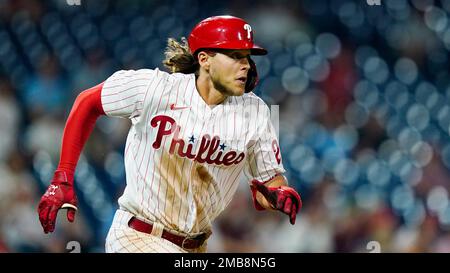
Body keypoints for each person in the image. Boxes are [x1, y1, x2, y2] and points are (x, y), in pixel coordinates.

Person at [37, 15, 302, 253]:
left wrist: (277, 195)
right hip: (137, 235)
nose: (245, 65)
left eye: (247, 57)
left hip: (198, 244)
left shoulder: (255, 111)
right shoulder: (156, 88)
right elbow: (87, 102)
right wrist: (63, 177)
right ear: (204, 59)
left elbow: (268, 182)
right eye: (234, 56)